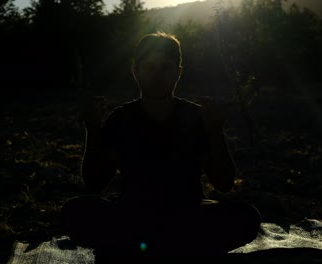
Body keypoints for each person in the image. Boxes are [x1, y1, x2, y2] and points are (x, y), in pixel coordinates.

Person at [60, 32, 261, 257]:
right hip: (133, 215)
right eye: (149, 67)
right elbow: (95, 184)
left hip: (187, 214)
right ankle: (174, 247)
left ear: (178, 73)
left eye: (165, 68)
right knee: (75, 212)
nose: (157, 76)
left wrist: (215, 131)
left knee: (247, 217)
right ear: (136, 73)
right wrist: (93, 129)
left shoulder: (196, 117)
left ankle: (144, 247)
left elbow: (223, 183)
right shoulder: (121, 118)